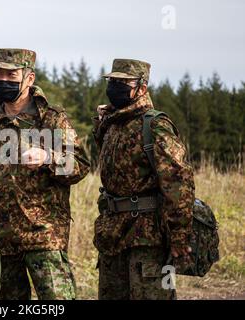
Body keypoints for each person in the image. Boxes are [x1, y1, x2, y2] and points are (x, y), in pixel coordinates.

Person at [0, 48, 90, 300]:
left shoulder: (51, 118)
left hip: (42, 234)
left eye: (11, 74)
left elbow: (80, 163)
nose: (3, 80)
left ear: (29, 78)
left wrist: (49, 158)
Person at [92, 58, 195, 300]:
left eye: (123, 82)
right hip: (112, 235)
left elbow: (179, 182)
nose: (115, 87)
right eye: (112, 81)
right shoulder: (112, 124)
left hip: (148, 238)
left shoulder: (155, 124)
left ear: (142, 87)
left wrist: (179, 237)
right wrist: (102, 122)